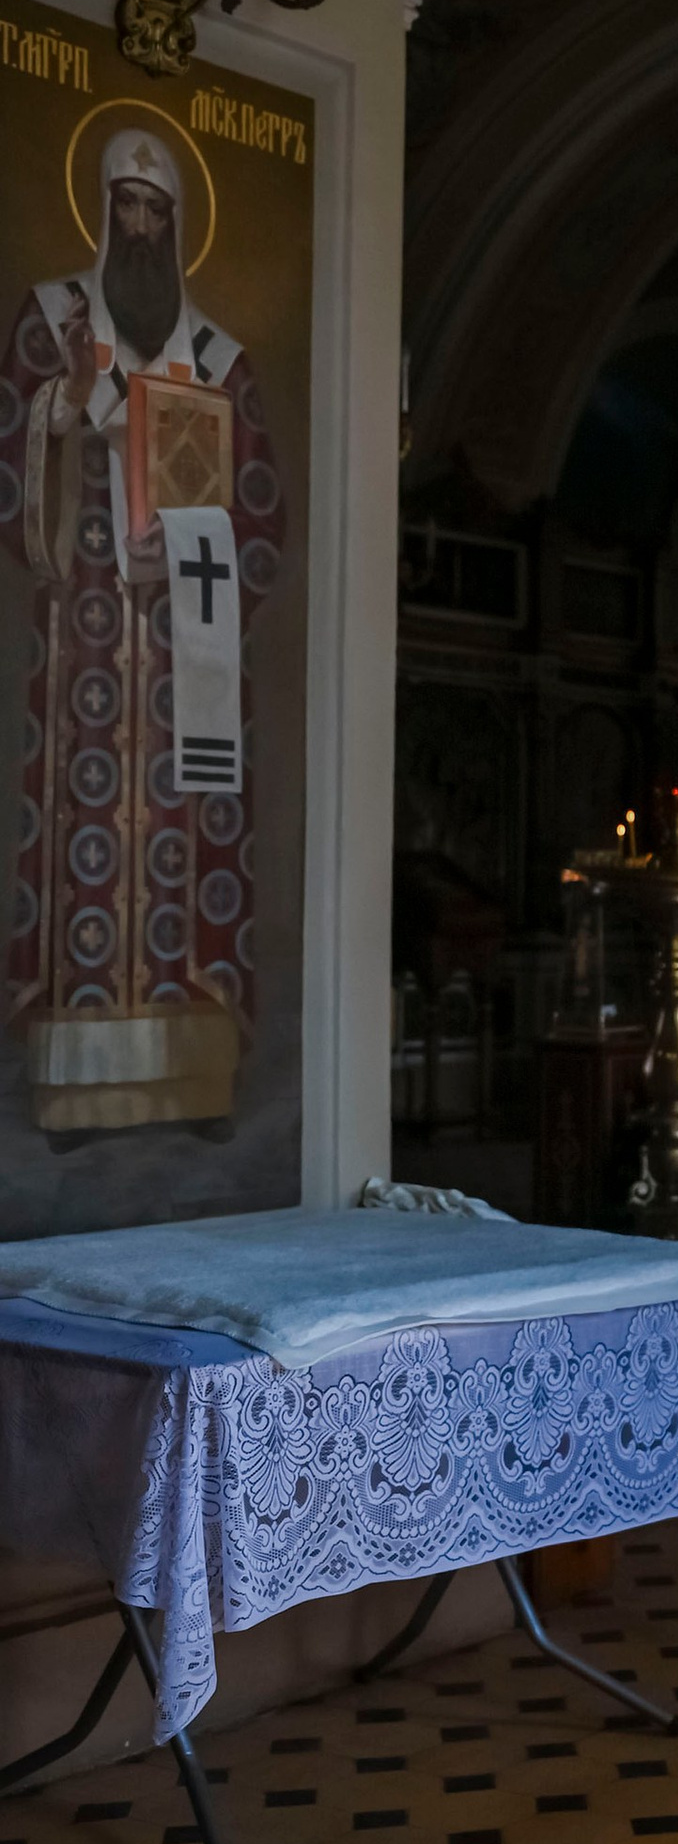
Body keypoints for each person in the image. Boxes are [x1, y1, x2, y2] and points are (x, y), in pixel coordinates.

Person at [0, 126, 284, 1132]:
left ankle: (193, 1077)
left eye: (157, 212)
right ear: (102, 208)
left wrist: (194, 546)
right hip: (82, 648)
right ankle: (76, 1087)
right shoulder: (50, 321)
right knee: (85, 841)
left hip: (179, 653)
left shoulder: (219, 358)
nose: (140, 226)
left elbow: (260, 512)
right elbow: (8, 454)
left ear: (179, 224)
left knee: (180, 839)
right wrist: (66, 411)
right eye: (125, 205)